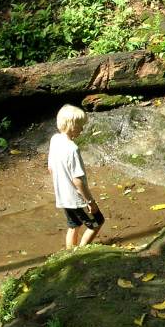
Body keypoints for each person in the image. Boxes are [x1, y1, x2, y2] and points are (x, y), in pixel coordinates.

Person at [48, 104, 103, 249]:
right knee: (96, 223)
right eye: (80, 126)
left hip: (63, 196)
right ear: (71, 126)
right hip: (77, 199)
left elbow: (50, 168)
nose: (82, 129)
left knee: (74, 225)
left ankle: (69, 253)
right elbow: (77, 180)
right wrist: (90, 202)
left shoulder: (55, 140)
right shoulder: (72, 149)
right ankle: (82, 251)